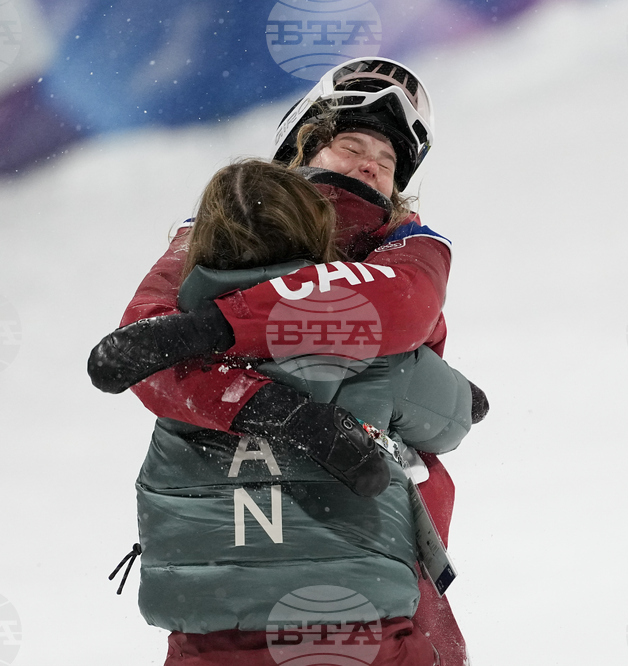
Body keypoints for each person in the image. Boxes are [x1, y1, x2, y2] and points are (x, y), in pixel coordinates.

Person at [89, 57, 485, 664]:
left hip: (217, 592)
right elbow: (143, 350)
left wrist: (215, 328)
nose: (369, 166)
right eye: (351, 145)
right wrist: (282, 413)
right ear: (298, 146)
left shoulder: (407, 249)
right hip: (368, 579)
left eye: (386, 163)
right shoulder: (214, 232)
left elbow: (394, 305)